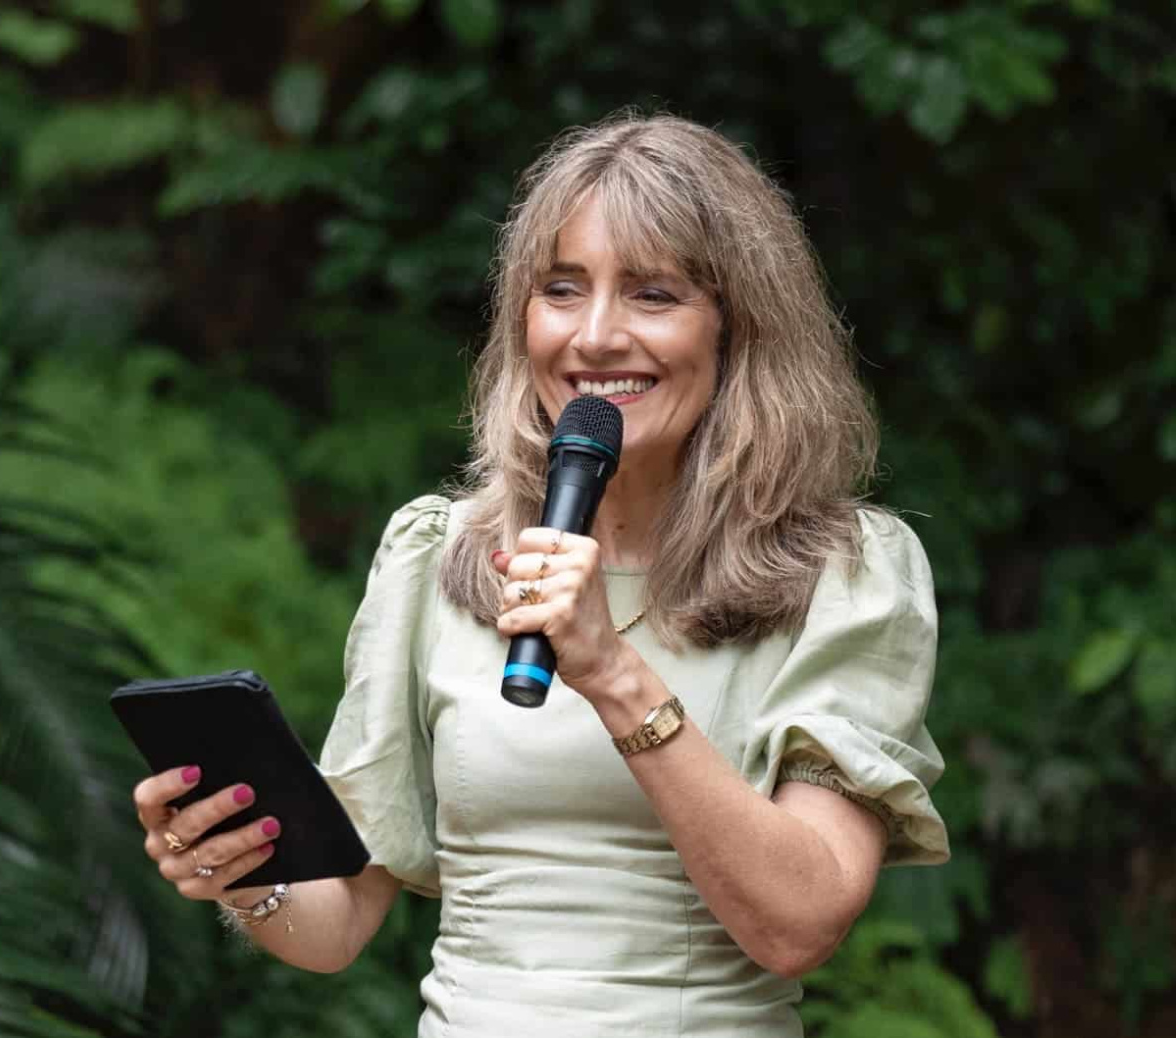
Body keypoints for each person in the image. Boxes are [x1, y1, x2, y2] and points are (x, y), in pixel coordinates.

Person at [130, 111, 949, 1036]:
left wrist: (612, 675)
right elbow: (338, 925)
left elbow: (799, 924)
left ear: (739, 331)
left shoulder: (843, 573)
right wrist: (243, 871)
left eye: (652, 294)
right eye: (562, 289)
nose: (594, 336)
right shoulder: (436, 555)